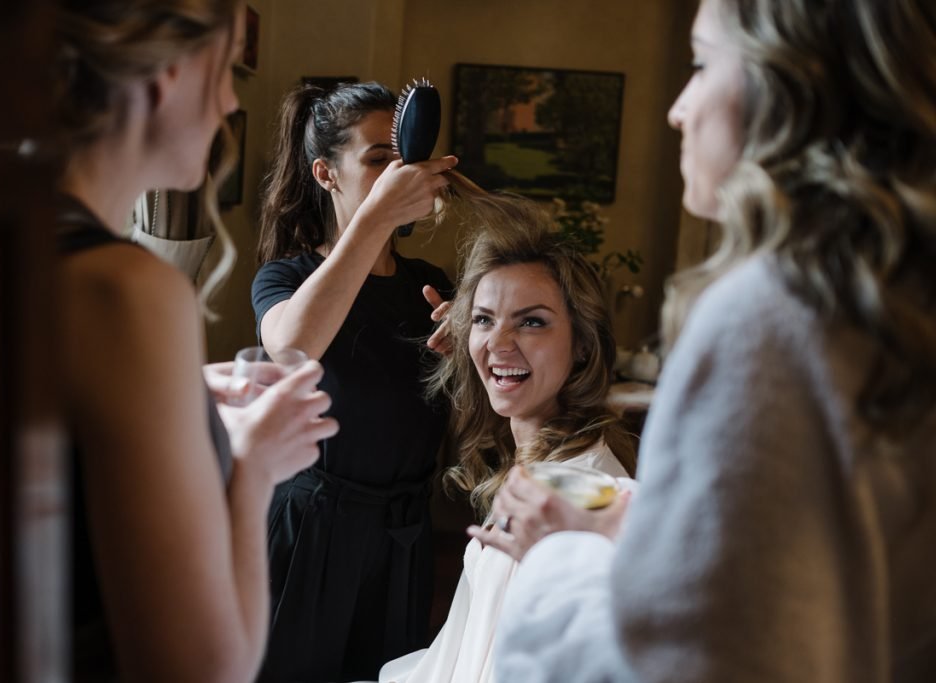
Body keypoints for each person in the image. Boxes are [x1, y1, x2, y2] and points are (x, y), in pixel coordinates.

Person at [488, 0, 936, 681]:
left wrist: (557, 553)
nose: (677, 109)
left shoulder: (767, 317)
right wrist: (632, 532)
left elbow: (682, 662)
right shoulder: (892, 297)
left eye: (700, 65)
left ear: (786, 86)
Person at [54, 2, 338, 680]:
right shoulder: (125, 291)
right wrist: (254, 467)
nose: (232, 102)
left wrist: (179, 396)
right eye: (228, 67)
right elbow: (205, 669)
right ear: (168, 74)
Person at [375, 199, 635, 683]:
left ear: (583, 343)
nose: (498, 342)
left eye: (531, 321)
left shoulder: (576, 497)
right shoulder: (537, 464)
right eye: (484, 319)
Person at [252, 82, 458, 682]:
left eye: (402, 158)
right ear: (326, 174)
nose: (397, 173)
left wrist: (470, 350)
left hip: (405, 533)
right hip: (312, 529)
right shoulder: (286, 277)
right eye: (376, 160)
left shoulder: (431, 285)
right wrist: (378, 217)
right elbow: (294, 346)